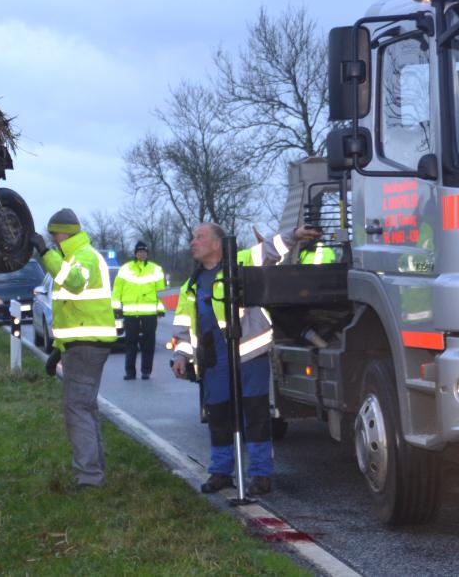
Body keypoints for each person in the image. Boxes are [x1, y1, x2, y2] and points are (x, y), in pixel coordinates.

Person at [170, 222, 319, 496]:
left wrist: (295, 235)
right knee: (218, 417)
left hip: (249, 354)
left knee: (256, 415)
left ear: (217, 243)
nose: (193, 242)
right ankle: (221, 472)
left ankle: (261, 475)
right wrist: (181, 354)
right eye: (192, 237)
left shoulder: (243, 262)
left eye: (199, 237)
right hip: (215, 361)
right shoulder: (191, 285)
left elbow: (272, 248)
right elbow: (184, 326)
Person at [29, 208, 120, 489]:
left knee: (77, 408)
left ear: (61, 232)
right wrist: (58, 347)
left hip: (86, 345)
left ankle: (89, 477)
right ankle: (94, 470)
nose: (52, 239)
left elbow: (74, 283)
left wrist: (46, 254)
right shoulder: (77, 256)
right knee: (85, 407)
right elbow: (70, 310)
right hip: (81, 344)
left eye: (53, 234)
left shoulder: (82, 257)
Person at [114, 241, 166, 380]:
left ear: (147, 253)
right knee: (131, 343)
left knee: (148, 343)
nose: (142, 254)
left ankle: (146, 371)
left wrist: (160, 309)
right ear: (135, 253)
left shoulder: (155, 269)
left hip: (149, 313)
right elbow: (117, 289)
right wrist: (117, 308)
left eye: (144, 252)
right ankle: (130, 372)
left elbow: (160, 292)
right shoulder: (125, 268)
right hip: (131, 313)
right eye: (139, 251)